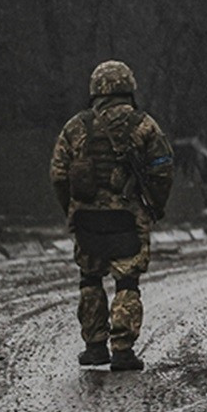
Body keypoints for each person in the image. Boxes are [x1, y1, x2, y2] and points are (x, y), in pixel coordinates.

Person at [49, 60, 173, 371]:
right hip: (127, 218)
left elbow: (58, 174)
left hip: (86, 217)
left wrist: (72, 210)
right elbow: (163, 169)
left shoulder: (75, 126)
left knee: (90, 278)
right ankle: (122, 349)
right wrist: (154, 204)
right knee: (126, 281)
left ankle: (93, 346)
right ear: (129, 87)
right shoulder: (144, 125)